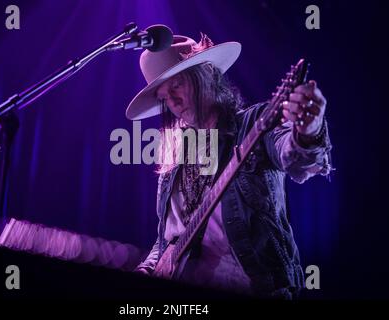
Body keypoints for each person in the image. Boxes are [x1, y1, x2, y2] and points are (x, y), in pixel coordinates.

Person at [126, 33, 332, 299]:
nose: (173, 103)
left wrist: (308, 130)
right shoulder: (174, 159)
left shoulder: (255, 125)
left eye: (177, 85)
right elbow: (166, 241)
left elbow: (297, 158)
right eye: (164, 98)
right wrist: (147, 268)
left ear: (206, 74)